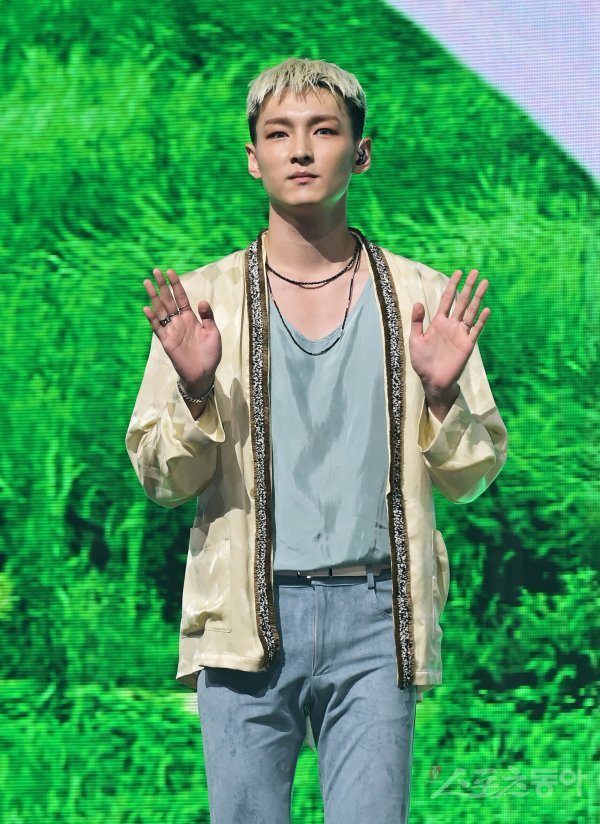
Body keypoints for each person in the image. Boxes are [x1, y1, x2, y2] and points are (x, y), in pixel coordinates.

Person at [126, 57, 507, 824]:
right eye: (279, 134)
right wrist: (196, 390)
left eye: (323, 131)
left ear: (360, 153)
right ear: (253, 157)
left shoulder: (422, 299)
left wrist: (440, 395)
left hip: (377, 615)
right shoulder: (203, 303)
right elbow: (162, 479)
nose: (301, 150)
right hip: (244, 615)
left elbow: (473, 474)